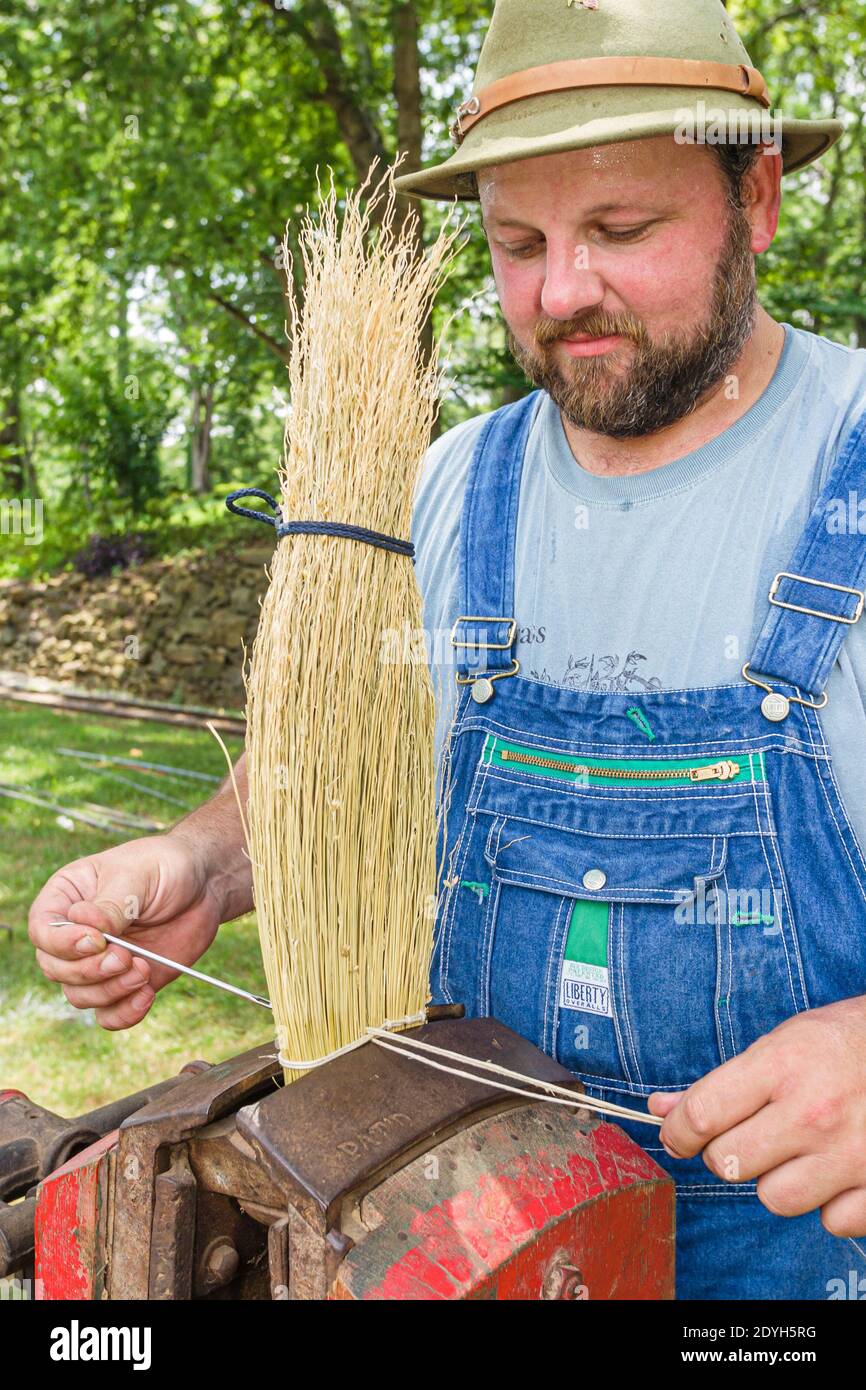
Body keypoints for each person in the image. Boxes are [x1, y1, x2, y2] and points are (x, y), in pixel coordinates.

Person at [28, 0, 866, 1298]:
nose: (559, 289)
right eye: (515, 242)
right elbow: (342, 767)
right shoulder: (439, 491)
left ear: (752, 199)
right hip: (451, 1252)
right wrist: (204, 856)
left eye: (620, 231)